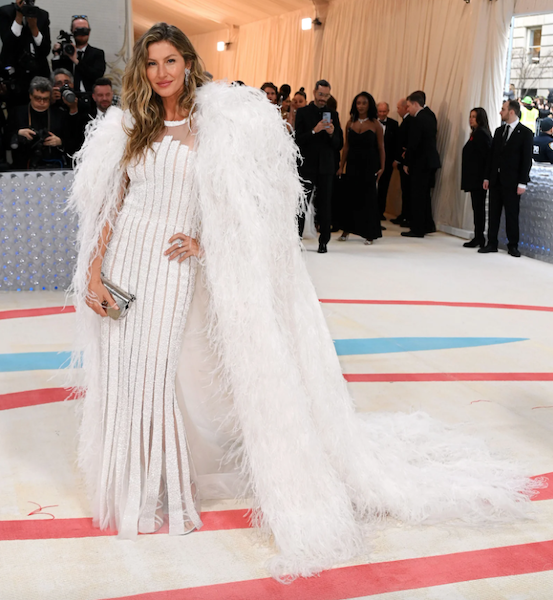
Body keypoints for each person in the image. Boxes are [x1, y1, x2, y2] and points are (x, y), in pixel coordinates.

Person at [69, 23, 543, 583]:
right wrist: (95, 271)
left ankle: (169, 489)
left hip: (174, 267)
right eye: (151, 64)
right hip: (127, 260)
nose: (162, 73)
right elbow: (110, 205)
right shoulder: (131, 127)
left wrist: (206, 242)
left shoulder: (219, 127)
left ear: (190, 64)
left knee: (162, 372)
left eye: (171, 61)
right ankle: (135, 483)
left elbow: (244, 207)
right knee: (128, 375)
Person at [295, 79, 344, 253]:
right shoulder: (302, 113)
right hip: (306, 166)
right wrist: (314, 131)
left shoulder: (334, 115)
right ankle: (296, 240)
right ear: (315, 92)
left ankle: (324, 241)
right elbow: (297, 140)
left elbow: (339, 144)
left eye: (327, 95)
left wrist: (331, 134)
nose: (323, 98)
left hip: (326, 167)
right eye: (321, 94)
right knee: (301, 205)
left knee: (325, 205)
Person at [479, 100, 533, 257]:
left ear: (511, 112)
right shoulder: (499, 131)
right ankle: (492, 243)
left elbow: (526, 160)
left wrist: (523, 182)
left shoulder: (525, 133)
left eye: (503, 109)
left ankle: (513, 245)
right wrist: (487, 177)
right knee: (493, 213)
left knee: (511, 214)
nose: (500, 112)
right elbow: (492, 157)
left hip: (513, 181)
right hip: (496, 180)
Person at [337, 92, 384, 245]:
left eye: (364, 103)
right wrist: (341, 165)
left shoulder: (376, 124)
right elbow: (346, 146)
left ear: (369, 104)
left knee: (368, 198)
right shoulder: (350, 123)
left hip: (369, 165)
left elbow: (381, 147)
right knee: (349, 197)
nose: (361, 106)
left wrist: (382, 167)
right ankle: (346, 230)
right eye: (358, 103)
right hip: (352, 164)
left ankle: (369, 233)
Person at [401, 90, 441, 238]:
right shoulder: (430, 115)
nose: (407, 109)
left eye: (409, 106)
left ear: (416, 104)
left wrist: (407, 162)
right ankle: (427, 224)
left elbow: (414, 143)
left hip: (421, 163)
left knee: (417, 196)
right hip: (430, 162)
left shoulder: (418, 119)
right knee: (424, 196)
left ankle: (417, 228)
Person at [7, 75, 70, 169]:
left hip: (53, 164)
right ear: (30, 96)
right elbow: (4, 140)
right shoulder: (17, 113)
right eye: (37, 98)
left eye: (45, 99)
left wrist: (60, 142)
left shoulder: (59, 114)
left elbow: (72, 141)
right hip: (23, 165)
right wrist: (17, 134)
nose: (41, 103)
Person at [0, 0, 51, 107]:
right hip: (14, 73)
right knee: (16, 112)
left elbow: (45, 50)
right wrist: (19, 17)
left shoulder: (42, 15)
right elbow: (7, 44)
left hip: (38, 71)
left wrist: (34, 28)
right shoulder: (5, 12)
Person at [461, 107, 492, 248]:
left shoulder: (481, 134)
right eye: (470, 116)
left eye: (474, 116)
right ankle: (478, 235)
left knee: (479, 208)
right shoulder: (476, 133)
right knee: (476, 208)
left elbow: (487, 157)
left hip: (479, 178)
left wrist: (486, 177)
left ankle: (479, 237)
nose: (471, 119)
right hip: (475, 177)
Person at [51, 16, 106, 94]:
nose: (82, 33)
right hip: (68, 96)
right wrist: (56, 55)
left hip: (90, 96)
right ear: (72, 32)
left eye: (85, 30)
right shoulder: (66, 53)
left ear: (89, 32)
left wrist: (76, 60)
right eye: (78, 30)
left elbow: (96, 75)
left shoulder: (97, 53)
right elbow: (57, 74)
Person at [376, 101, 399, 221]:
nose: (382, 114)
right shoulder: (372, 123)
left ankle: (380, 212)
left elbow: (397, 144)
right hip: (374, 161)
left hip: (388, 161)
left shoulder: (394, 124)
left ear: (388, 111)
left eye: (384, 111)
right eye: (380, 111)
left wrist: (396, 159)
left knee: (384, 187)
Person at [390, 98, 411, 227]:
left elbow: (403, 142)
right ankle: (404, 214)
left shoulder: (409, 121)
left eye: (398, 108)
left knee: (407, 190)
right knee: (404, 190)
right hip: (404, 159)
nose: (397, 110)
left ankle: (407, 215)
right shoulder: (406, 121)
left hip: (406, 160)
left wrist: (399, 159)